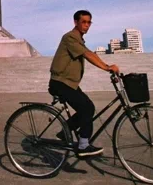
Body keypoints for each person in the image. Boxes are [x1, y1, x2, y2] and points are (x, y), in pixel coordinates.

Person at [49, 9, 120, 157]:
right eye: (84, 22)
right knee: (87, 108)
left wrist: (107, 67)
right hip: (60, 82)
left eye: (89, 22)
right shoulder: (70, 37)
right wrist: (107, 67)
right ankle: (83, 146)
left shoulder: (79, 40)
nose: (87, 25)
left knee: (87, 108)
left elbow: (90, 53)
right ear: (76, 22)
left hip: (69, 83)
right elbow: (87, 55)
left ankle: (66, 132)